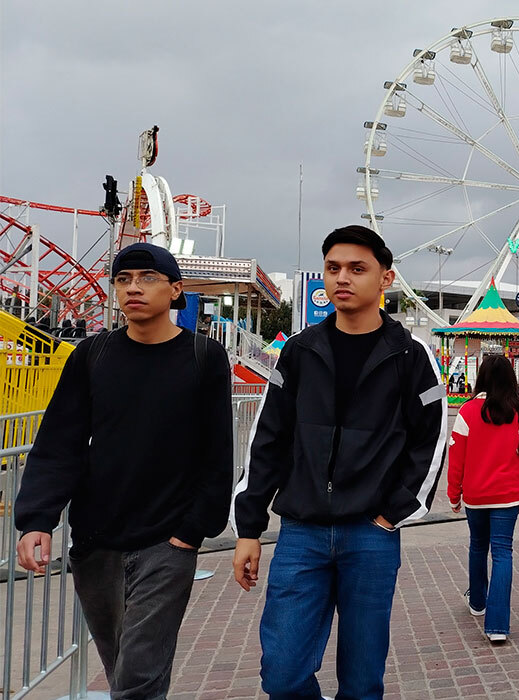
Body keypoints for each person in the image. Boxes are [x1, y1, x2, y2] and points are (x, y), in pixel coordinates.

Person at [232, 225, 446, 700]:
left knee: (363, 681)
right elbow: (267, 438)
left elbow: (431, 438)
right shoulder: (299, 352)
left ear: (386, 279)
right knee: (282, 676)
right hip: (301, 534)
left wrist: (393, 512)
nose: (341, 278)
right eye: (333, 268)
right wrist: (248, 528)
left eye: (357, 268)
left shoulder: (413, 357)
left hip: (371, 534)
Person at [14, 242, 233, 699]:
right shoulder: (91, 355)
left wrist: (192, 531)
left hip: (167, 542)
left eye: (147, 278)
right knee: (122, 670)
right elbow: (59, 443)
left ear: (176, 291)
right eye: (123, 279)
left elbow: (216, 454)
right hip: (96, 544)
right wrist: (37, 519)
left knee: (137, 680)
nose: (133, 287)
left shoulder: (203, 357)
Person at [446, 354, 519, 644]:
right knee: (503, 552)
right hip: (508, 494)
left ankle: (478, 602)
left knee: (477, 546)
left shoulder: (467, 411)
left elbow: (456, 457)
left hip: (475, 493)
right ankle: (497, 625)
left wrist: (453, 494)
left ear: (480, 377)